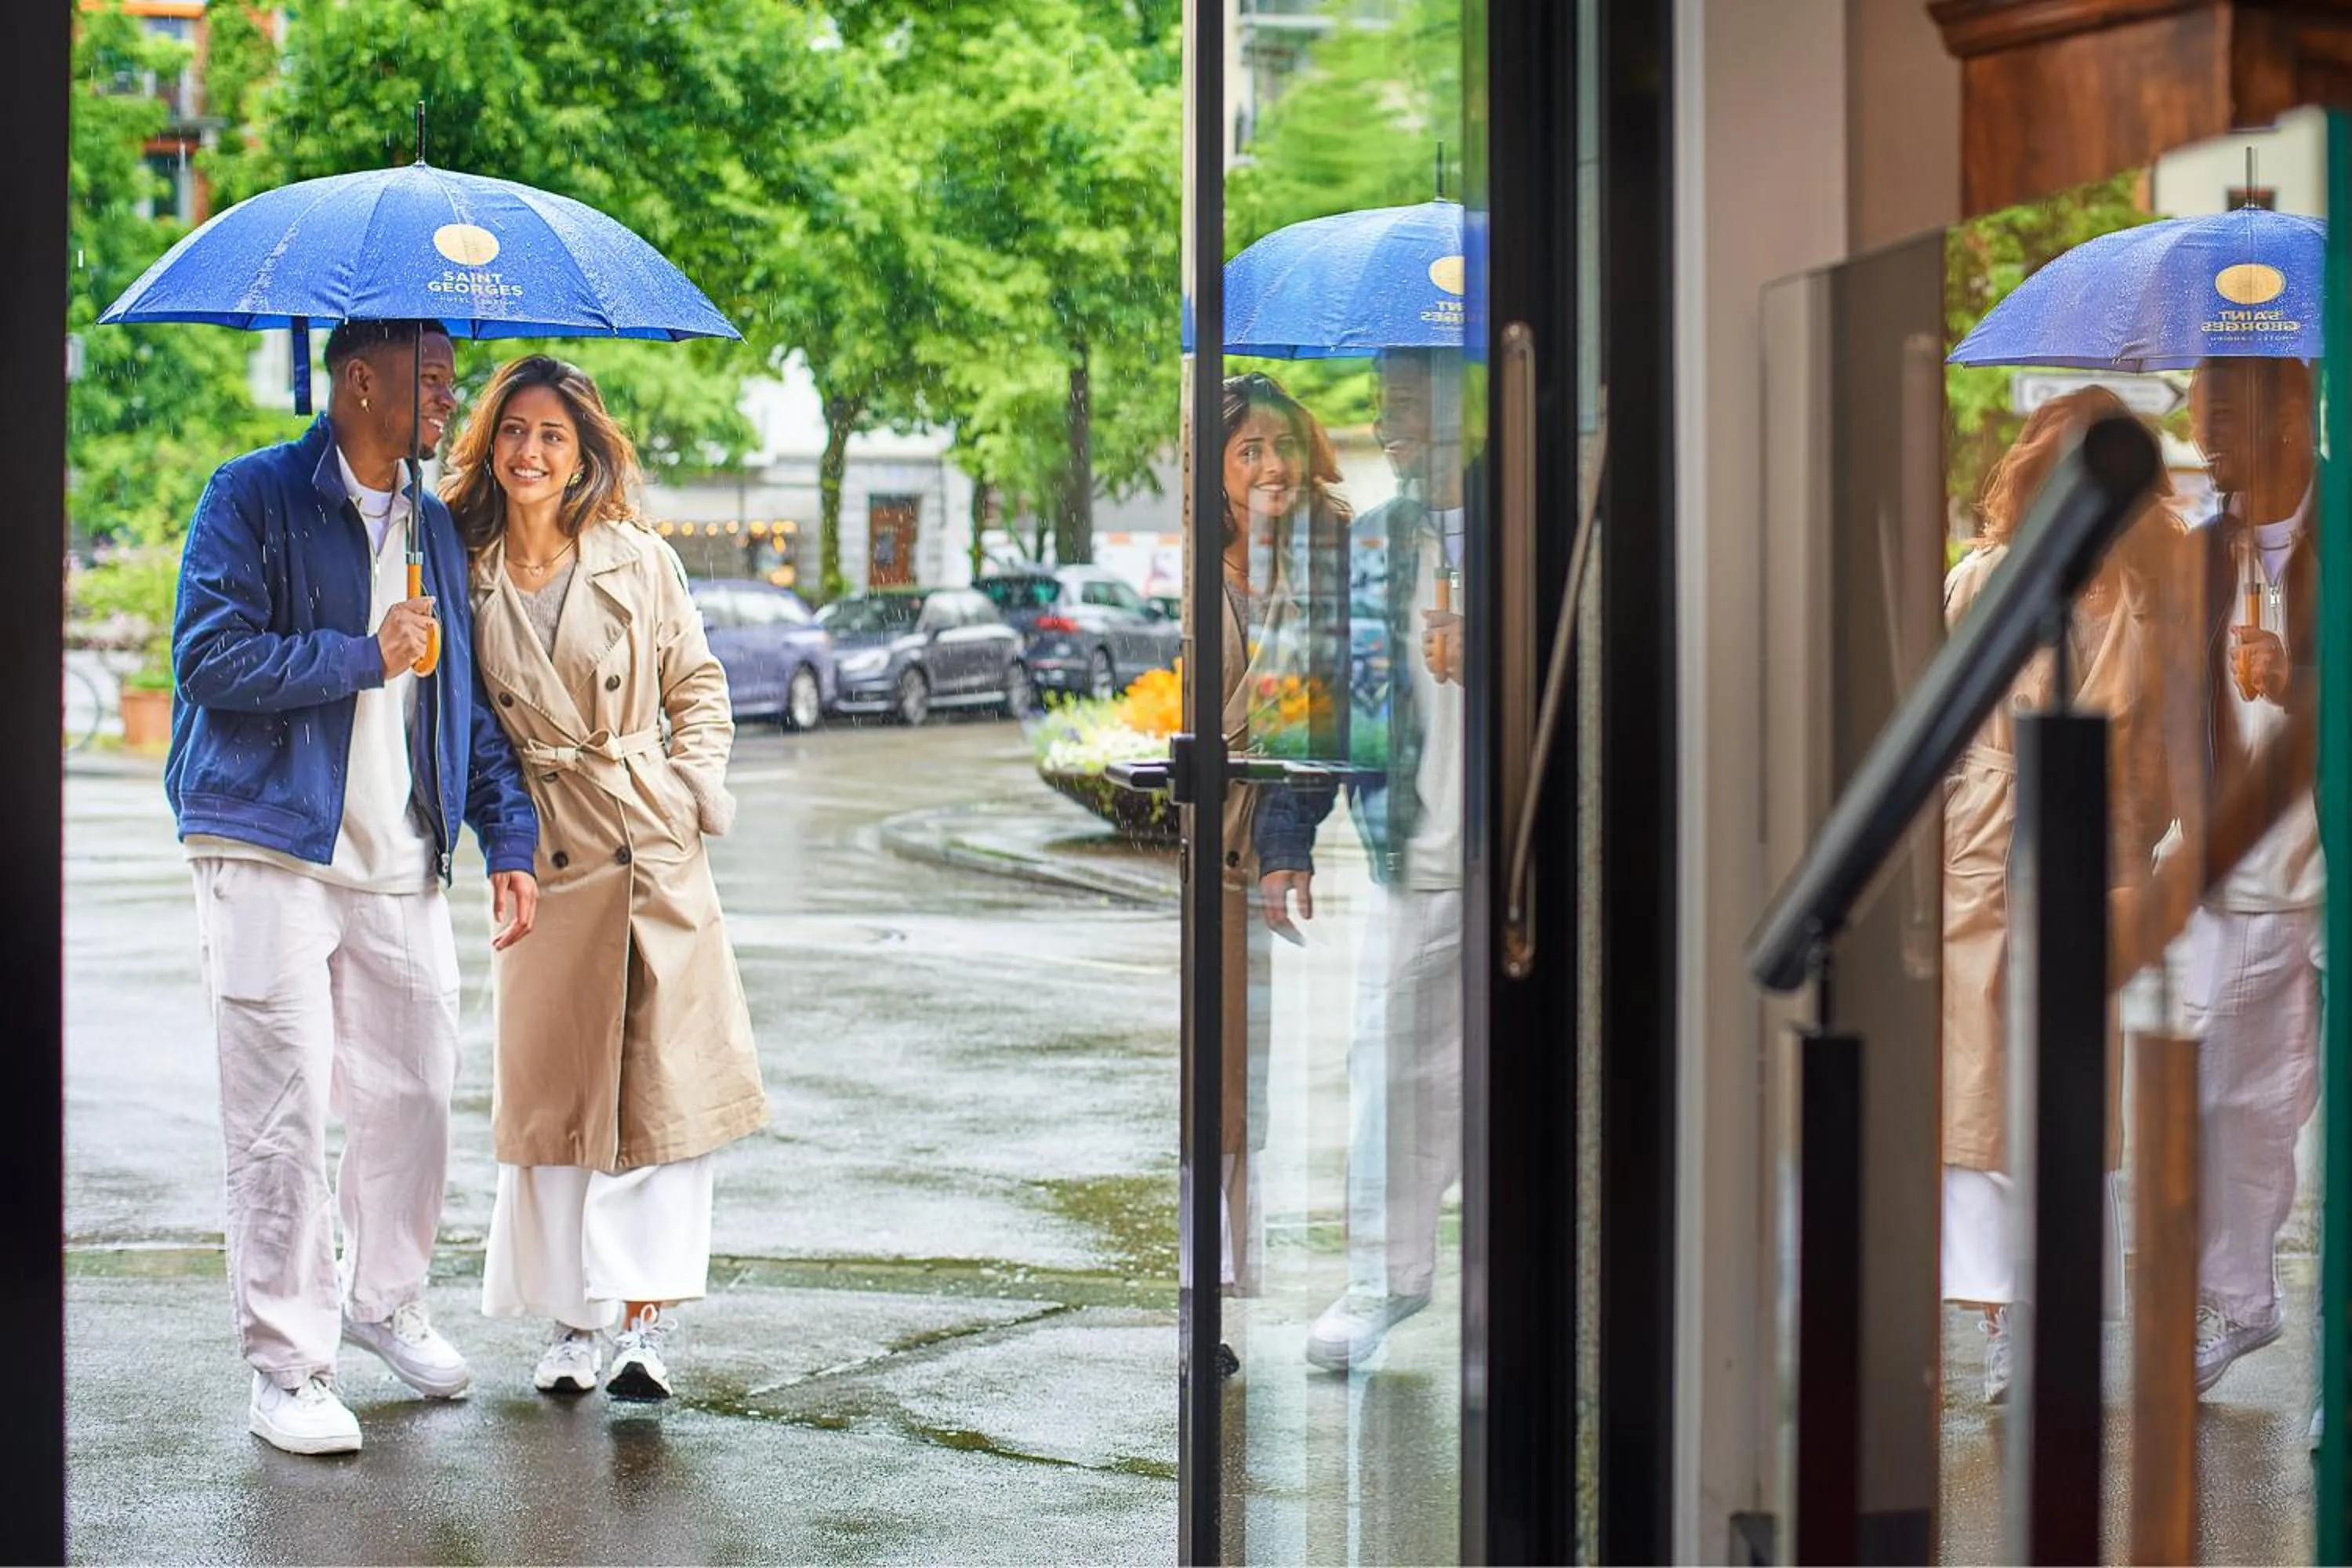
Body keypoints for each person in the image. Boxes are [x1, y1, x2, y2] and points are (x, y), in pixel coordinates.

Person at [168, 318, 543, 1457]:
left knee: (417, 1091)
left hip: (398, 857)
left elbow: (465, 704)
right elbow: (208, 658)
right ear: (359, 381)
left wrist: (508, 838)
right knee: (280, 1112)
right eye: (431, 381)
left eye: (448, 379)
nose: (448, 400)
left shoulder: (433, 524)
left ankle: (382, 1301)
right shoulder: (252, 498)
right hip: (270, 845)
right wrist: (360, 652)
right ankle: (287, 1365)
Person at [445, 356, 768, 1403]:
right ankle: (569, 1326)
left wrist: (693, 784)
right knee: (555, 1101)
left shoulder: (637, 557)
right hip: (543, 853)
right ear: (490, 445)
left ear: (583, 452)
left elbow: (698, 685)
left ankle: (641, 1324)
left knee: (660, 1093)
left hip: (652, 845)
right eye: (514, 431)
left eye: (552, 435)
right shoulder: (462, 561)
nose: (530, 452)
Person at [1938, 386, 2176, 1404]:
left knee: (2071, 1087)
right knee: (1984, 1086)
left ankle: (2054, 1305)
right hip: (1986, 845)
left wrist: (2141, 847)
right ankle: (2003, 1322)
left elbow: (2164, 755)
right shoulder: (1982, 579)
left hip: (2097, 849)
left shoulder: (2148, 601)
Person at [1252, 347, 1468, 1371]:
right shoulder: (1372, 544)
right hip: (1413, 854)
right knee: (1389, 1069)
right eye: (1383, 405)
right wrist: (1287, 842)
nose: (1389, 424)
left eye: (1410, 402)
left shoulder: (1548, 529)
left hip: (1541, 863)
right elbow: (1314, 700)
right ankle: (1385, 1279)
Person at [2172, 354, 2324, 1397]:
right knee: (2232, 1093)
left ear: (2287, 416)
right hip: (2252, 864)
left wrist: (2307, 669)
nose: (2200, 428)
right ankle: (2240, 1302)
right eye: (2194, 408)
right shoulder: (2197, 550)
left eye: (2220, 409)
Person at [1209, 372, 1352, 1367]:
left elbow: (1338, 711)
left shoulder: (1336, 556)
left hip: (1294, 832)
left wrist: (1289, 843)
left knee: (1264, 1066)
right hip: (1204, 842)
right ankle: (1207, 1270)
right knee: (1209, 1067)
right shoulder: (1192, 565)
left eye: (1284, 445)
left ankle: (1238, 1268)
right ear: (1216, 465)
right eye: (1249, 448)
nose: (1272, 466)